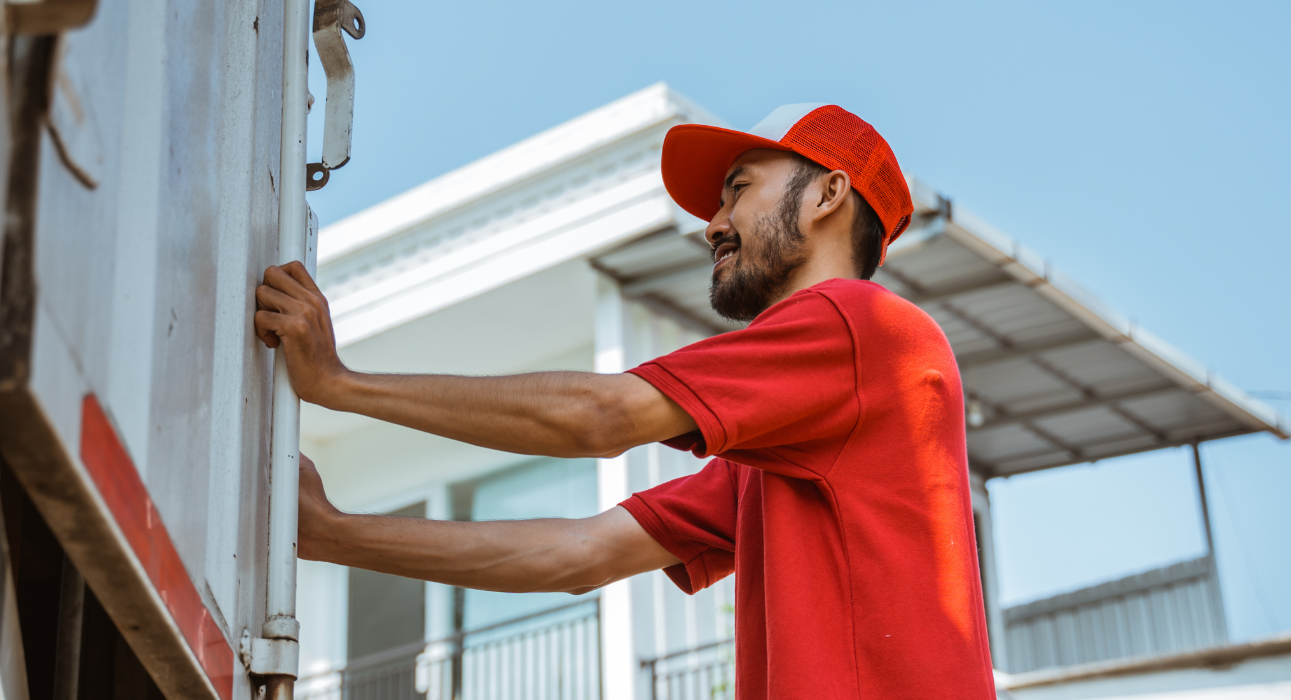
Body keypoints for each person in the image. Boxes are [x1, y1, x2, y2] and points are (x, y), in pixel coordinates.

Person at [255, 103, 994, 699]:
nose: (712, 224)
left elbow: (600, 416)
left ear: (830, 193)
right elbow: (582, 552)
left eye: (738, 187)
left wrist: (340, 384)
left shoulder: (861, 326)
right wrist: (330, 535)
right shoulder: (783, 454)